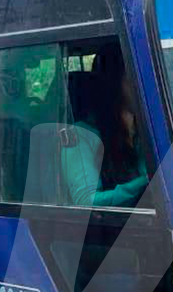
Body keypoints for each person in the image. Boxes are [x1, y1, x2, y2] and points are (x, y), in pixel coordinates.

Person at [59, 79, 148, 208]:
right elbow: (87, 201)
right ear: (114, 83)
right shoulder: (82, 135)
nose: (143, 83)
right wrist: (145, 182)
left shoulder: (146, 128)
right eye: (134, 77)